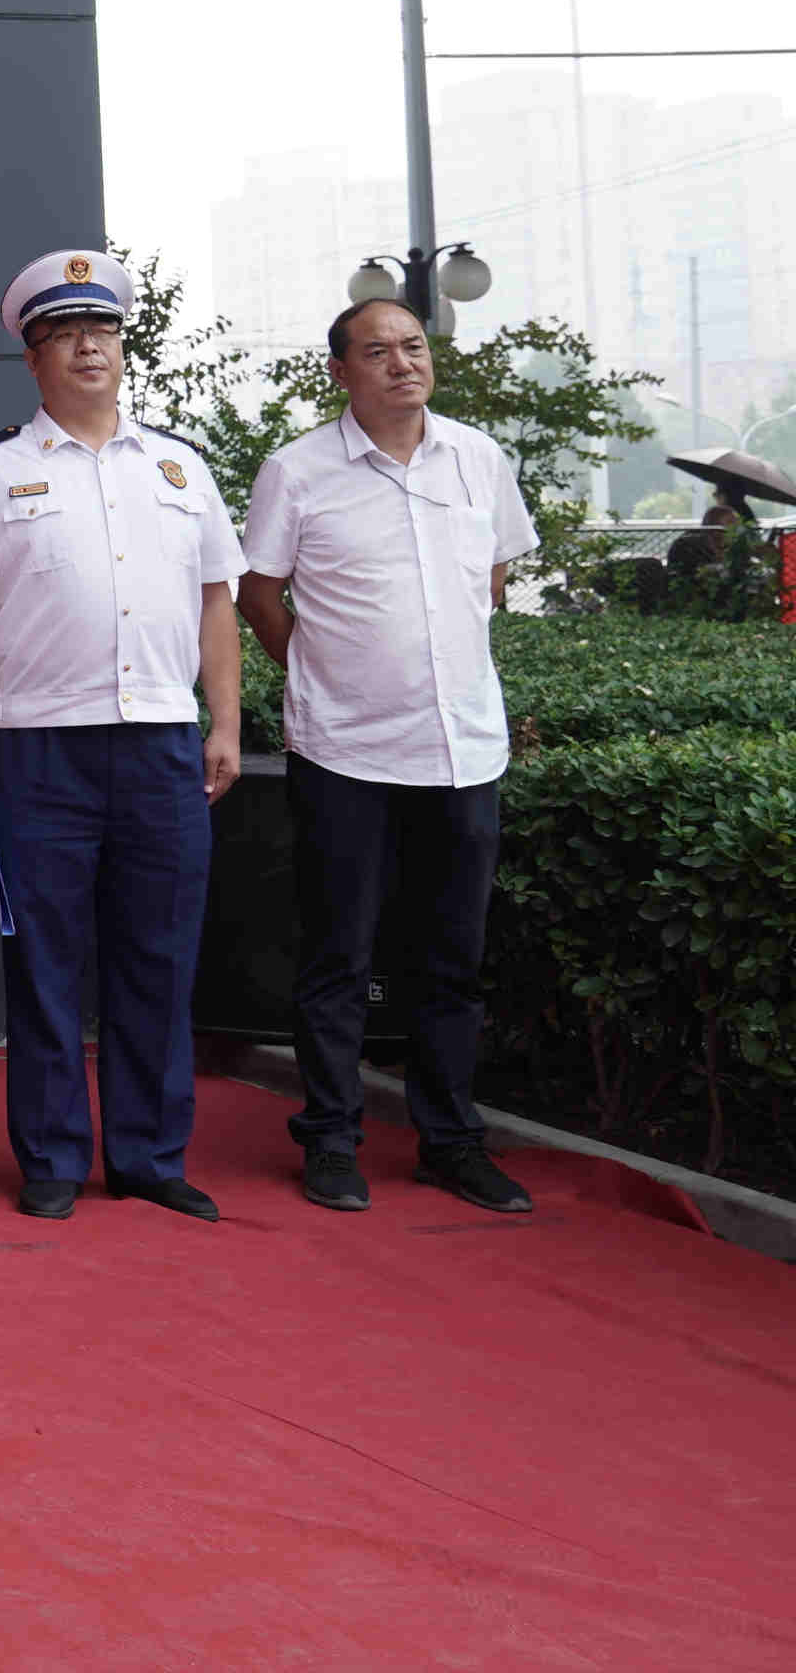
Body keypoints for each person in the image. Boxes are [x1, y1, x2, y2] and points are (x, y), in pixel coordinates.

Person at [0, 250, 244, 1223]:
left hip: (160, 744)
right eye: (64, 333)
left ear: (121, 344)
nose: (88, 346)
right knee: (47, 956)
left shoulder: (181, 465)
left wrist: (224, 721)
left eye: (101, 330)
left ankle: (150, 1153)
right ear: (34, 358)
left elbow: (217, 604)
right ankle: (55, 1154)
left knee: (159, 952)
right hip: (34, 750)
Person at [240, 298, 538, 1217]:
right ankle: (330, 1140)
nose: (403, 364)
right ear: (341, 371)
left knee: (451, 959)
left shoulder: (477, 458)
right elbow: (258, 591)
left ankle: (452, 1141)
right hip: (346, 752)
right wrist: (317, 670)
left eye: (413, 347)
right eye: (378, 352)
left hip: (462, 750)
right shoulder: (297, 472)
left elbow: (494, 576)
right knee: (338, 956)